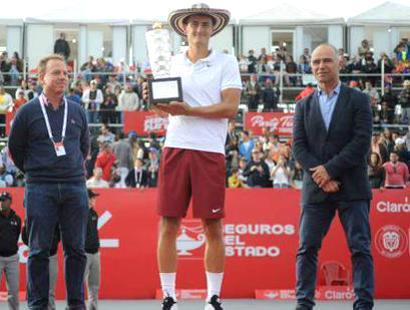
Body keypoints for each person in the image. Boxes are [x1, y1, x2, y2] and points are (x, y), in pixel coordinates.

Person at [145, 3, 241, 309]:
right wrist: (157, 100)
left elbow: (229, 108)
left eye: (205, 24)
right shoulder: (170, 62)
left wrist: (190, 110)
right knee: (168, 224)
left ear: (213, 29)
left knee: (212, 226)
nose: (199, 29)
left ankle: (212, 297)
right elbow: (160, 105)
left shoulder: (226, 62)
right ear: (184, 29)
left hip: (209, 151)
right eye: (194, 24)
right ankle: (169, 295)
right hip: (175, 147)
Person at [292, 44, 374, 310]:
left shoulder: (359, 99)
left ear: (339, 63)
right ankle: (304, 303)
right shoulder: (303, 105)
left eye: (326, 60)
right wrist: (322, 176)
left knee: (360, 249)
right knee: (307, 249)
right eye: (316, 62)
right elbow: (299, 147)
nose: (320, 66)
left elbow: (361, 142)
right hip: (317, 190)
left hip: (352, 187)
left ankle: (363, 304)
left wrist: (330, 170)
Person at [8, 54, 90, 309]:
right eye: (56, 73)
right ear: (41, 77)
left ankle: (76, 303)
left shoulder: (77, 110)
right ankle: (38, 304)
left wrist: (70, 169)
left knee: (76, 249)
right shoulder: (27, 112)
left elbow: (84, 146)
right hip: (40, 186)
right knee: (39, 250)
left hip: (75, 186)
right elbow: (16, 149)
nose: (62, 77)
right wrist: (37, 171)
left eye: (65, 73)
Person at [22, 221, 61, 310]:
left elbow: (59, 234)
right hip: (36, 257)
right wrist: (34, 245)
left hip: (51, 256)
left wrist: (52, 245)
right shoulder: (32, 214)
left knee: (50, 291)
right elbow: (25, 236)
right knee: (35, 290)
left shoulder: (55, 214)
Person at [0, 192, 21, 310]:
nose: (2, 202)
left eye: (4, 200)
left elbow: (17, 234)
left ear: (10, 202)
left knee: (13, 290)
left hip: (12, 258)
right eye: (0, 200)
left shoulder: (17, 219)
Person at [84, 189, 101, 310]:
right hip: (83, 253)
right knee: (79, 283)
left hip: (95, 253)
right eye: (92, 197)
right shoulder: (79, 213)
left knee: (94, 285)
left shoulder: (94, 214)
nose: (94, 200)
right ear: (87, 199)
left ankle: (93, 308)